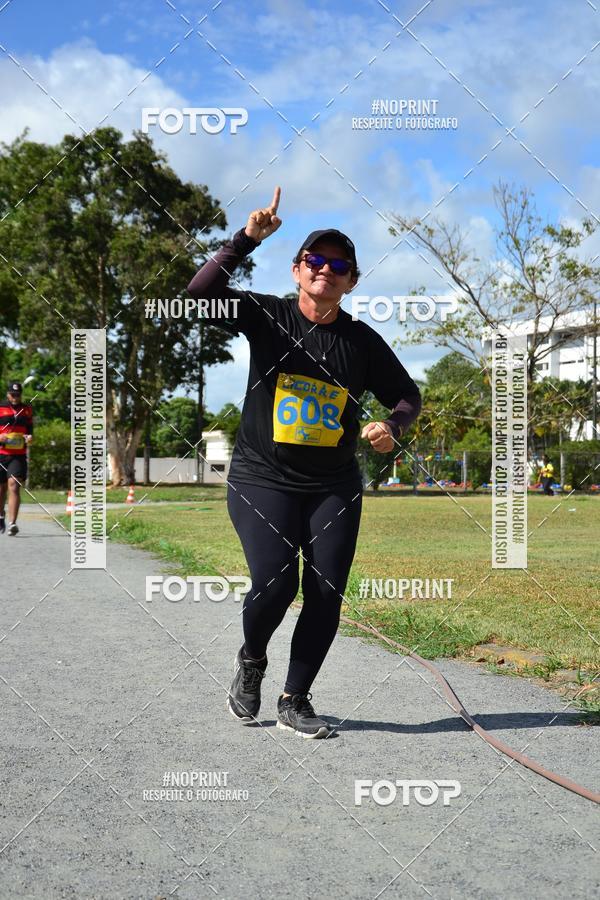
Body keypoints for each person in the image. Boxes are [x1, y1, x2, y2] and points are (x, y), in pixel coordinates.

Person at [186, 187, 421, 739]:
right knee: (274, 583)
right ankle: (251, 659)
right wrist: (245, 240)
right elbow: (198, 293)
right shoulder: (267, 315)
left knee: (325, 589)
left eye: (340, 266)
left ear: (352, 281)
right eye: (316, 260)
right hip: (261, 477)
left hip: (333, 484)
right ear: (297, 269)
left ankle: (296, 698)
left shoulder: (362, 343)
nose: (327, 270)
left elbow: (407, 396)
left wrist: (393, 427)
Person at [0, 380, 33, 536]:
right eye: (12, 395)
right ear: (8, 394)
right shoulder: (1, 408)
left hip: (18, 456)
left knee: (14, 484)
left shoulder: (27, 410)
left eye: (18, 395)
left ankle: (13, 523)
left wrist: (29, 437)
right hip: (1, 455)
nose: (15, 398)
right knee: (1, 490)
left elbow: (30, 430)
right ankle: (1, 515)